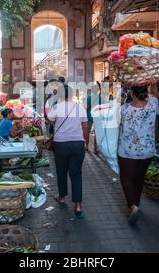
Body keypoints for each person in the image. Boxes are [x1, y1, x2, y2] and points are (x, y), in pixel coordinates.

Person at [117, 85, 159, 225]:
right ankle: (137, 203)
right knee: (139, 178)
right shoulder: (153, 104)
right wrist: (152, 83)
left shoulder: (124, 109)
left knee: (126, 178)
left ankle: (133, 206)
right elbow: (155, 93)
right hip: (147, 150)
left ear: (132, 94)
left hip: (127, 151)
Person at [47, 85, 89, 219]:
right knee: (76, 174)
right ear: (71, 94)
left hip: (61, 144)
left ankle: (62, 197)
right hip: (78, 144)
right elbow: (85, 126)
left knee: (61, 171)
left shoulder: (56, 107)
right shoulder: (79, 106)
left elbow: (50, 121)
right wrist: (86, 142)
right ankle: (78, 205)